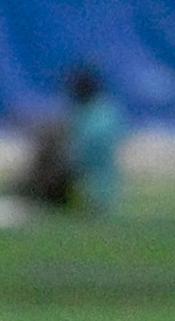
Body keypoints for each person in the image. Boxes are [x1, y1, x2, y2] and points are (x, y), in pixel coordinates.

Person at [9, 64, 125, 214]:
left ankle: (28, 197)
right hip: (104, 191)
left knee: (47, 156)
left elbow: (75, 156)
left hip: (85, 190)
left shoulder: (89, 117)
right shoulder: (107, 112)